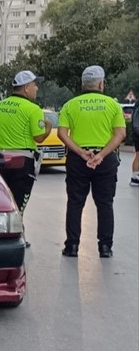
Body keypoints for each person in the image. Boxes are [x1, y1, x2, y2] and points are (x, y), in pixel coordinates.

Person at [56, 65, 126, 259]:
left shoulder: (70, 105)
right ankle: (105, 247)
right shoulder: (112, 105)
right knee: (105, 203)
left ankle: (72, 247)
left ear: (82, 84)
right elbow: (121, 133)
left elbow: (62, 133)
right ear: (101, 83)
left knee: (75, 202)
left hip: (78, 160)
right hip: (106, 159)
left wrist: (80, 152)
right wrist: (101, 155)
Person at [0, 70, 51, 244]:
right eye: (35, 85)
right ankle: (17, 236)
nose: (36, 88)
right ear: (27, 87)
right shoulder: (33, 109)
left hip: (0, 160)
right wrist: (48, 128)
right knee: (19, 201)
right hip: (23, 161)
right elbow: (39, 138)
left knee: (3, 199)